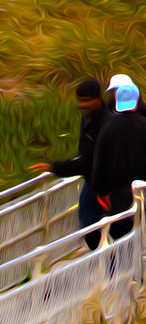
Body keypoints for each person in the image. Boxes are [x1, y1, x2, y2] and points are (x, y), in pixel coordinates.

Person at [31, 79, 109, 250]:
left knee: (99, 223)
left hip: (105, 181)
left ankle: (109, 259)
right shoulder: (87, 117)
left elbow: (88, 160)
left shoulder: (105, 124)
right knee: (88, 224)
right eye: (80, 100)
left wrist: (55, 167)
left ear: (99, 98)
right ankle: (100, 255)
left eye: (88, 100)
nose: (83, 105)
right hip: (91, 180)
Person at [91, 81, 146, 242]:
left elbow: (99, 162)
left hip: (117, 190)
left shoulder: (107, 128)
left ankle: (122, 263)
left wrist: (101, 190)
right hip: (143, 186)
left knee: (120, 230)